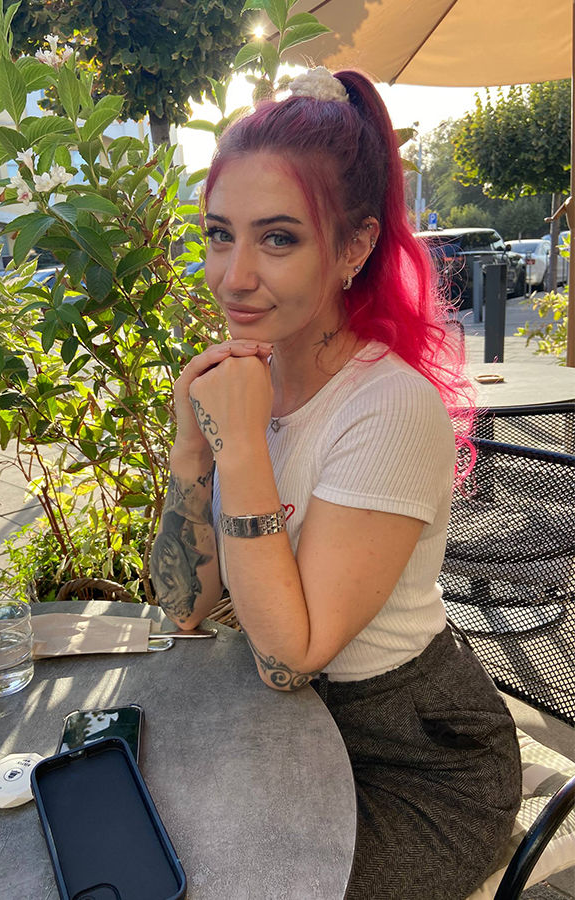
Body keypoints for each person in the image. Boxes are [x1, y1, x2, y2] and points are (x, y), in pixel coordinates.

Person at [150, 67, 521, 899]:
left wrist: (241, 450)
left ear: (353, 248)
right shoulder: (248, 384)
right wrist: (191, 450)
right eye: (219, 234)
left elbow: (290, 659)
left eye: (278, 239)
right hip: (288, 729)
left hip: (417, 762)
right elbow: (182, 606)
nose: (234, 275)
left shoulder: (389, 408)